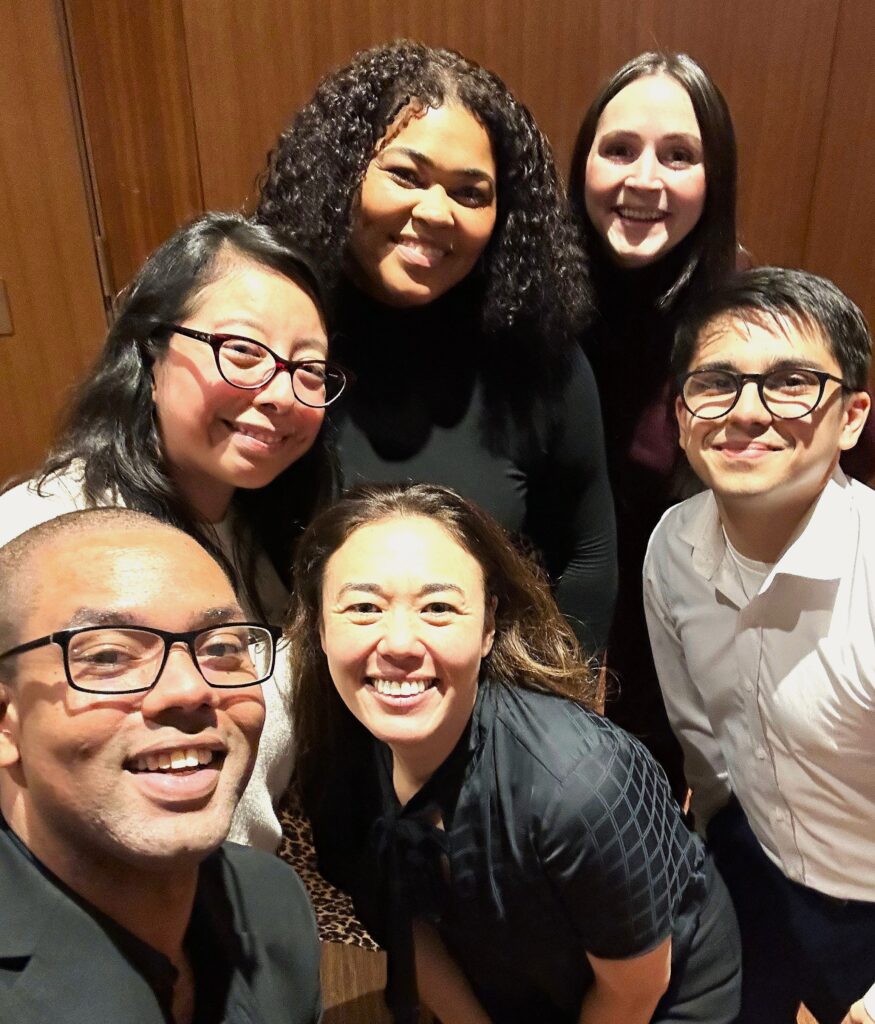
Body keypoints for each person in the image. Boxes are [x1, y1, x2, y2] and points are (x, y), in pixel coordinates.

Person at [286, 481, 740, 1024]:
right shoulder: (341, 753)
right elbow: (406, 923)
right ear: (319, 625)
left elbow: (633, 990)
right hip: (512, 976)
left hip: (660, 997)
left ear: (488, 625)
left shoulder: (578, 785)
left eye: (438, 607)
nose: (400, 643)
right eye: (364, 606)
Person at [0, 212, 348, 850]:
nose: (279, 393)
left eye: (309, 371)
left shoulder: (266, 531)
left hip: (222, 905)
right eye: (243, 352)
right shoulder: (41, 532)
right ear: (149, 353)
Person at [256, 39, 616, 654]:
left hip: (490, 712)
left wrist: (565, 713)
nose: (435, 211)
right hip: (298, 712)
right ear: (343, 174)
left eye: (470, 193)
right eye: (405, 175)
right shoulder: (271, 341)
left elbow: (585, 560)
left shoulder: (539, 359)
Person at [643, 267, 875, 1024]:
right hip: (752, 862)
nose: (746, 411)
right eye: (716, 383)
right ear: (681, 417)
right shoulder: (673, 546)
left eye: (790, 383)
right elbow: (700, 744)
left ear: (851, 417)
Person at [0, 508, 322, 1023]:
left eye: (221, 647)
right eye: (108, 656)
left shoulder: (271, 904)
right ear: (5, 720)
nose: (190, 688)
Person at [567, 51, 739, 797]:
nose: (644, 179)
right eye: (619, 149)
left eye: (678, 155)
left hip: (667, 658)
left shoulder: (738, 325)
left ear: (715, 178)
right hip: (526, 633)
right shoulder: (526, 306)